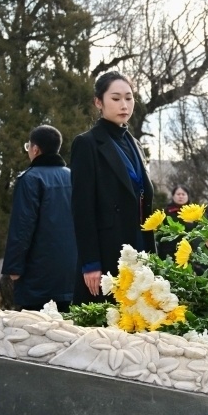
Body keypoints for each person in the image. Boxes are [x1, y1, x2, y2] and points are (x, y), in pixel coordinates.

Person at [70, 72, 156, 304]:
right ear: (99, 102)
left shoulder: (135, 144)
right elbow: (82, 208)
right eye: (116, 98)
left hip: (139, 244)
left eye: (129, 98)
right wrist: (90, 263)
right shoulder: (86, 144)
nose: (124, 105)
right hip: (107, 250)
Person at [1, 125, 77, 312]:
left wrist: (14, 267)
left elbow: (22, 226)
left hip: (39, 277)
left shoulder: (30, 179)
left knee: (37, 333)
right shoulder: (74, 177)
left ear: (35, 149)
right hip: (73, 274)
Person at [162, 184, 194, 258]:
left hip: (187, 249)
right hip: (168, 249)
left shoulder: (193, 211)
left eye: (183, 194)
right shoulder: (167, 211)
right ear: (173, 196)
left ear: (188, 196)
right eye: (178, 194)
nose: (181, 196)